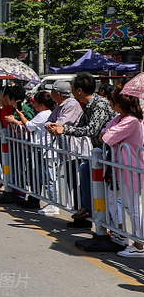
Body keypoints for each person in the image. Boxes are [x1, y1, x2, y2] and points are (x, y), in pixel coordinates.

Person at [46, 73, 116, 228]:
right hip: (99, 152)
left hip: (110, 152)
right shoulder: (89, 105)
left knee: (108, 191)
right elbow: (80, 126)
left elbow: (91, 130)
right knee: (85, 171)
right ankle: (88, 211)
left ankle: (108, 225)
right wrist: (61, 128)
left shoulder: (99, 105)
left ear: (78, 90)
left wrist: (64, 129)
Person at [99, 87, 144, 257]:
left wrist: (106, 133)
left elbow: (106, 136)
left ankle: (139, 245)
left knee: (132, 206)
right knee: (119, 201)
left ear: (118, 104)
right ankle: (124, 234)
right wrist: (106, 132)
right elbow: (104, 133)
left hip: (130, 168)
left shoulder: (131, 121)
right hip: (120, 167)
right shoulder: (120, 118)